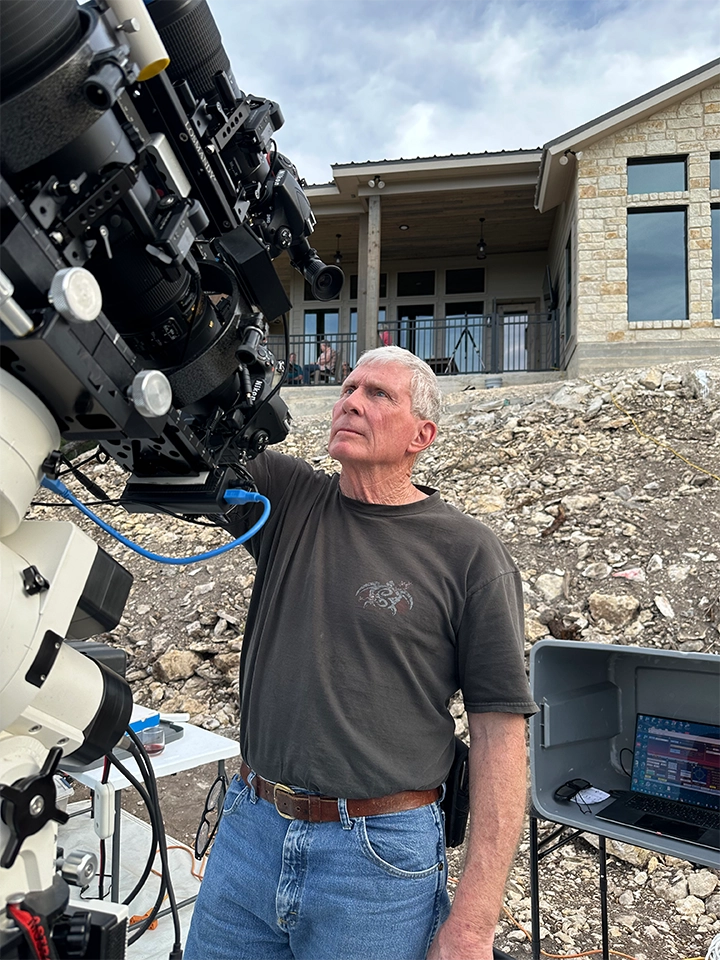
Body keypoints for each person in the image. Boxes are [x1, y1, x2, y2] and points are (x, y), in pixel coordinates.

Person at [185, 345, 536, 960]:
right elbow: (198, 443)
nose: (351, 401)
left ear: (421, 435)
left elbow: (500, 739)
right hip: (250, 833)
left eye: (379, 394)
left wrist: (474, 924)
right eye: (348, 389)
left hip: (377, 859)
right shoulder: (290, 499)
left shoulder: (469, 553)